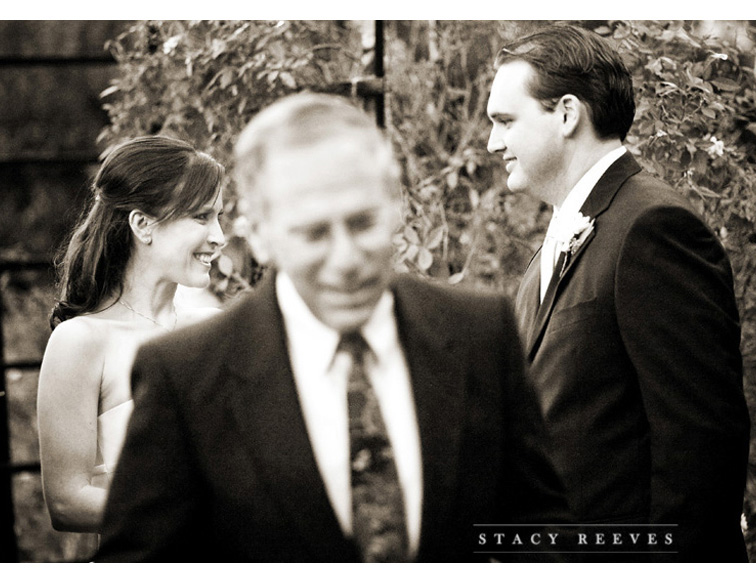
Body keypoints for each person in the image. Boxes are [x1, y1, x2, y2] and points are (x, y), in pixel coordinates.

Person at [95, 92, 569, 562]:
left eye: (363, 223)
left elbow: (539, 530)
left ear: (395, 208)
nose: (346, 260)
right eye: (314, 233)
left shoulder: (480, 333)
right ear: (259, 235)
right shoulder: (186, 375)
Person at [486, 24, 751, 561]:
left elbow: (700, 451)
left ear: (566, 114)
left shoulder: (655, 228)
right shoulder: (556, 244)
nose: (493, 143)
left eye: (505, 121)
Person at [37, 136, 227, 548]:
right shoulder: (81, 341)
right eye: (201, 217)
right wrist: (190, 510)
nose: (220, 236)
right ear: (143, 225)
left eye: (219, 218)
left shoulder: (213, 329)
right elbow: (67, 502)